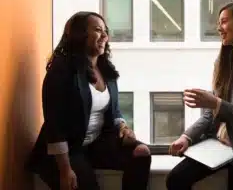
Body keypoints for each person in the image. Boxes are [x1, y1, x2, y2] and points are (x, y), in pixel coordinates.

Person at [26, 11, 151, 190]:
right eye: (98, 30)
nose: (105, 36)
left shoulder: (105, 70)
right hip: (67, 150)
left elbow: (114, 111)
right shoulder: (61, 70)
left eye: (105, 31)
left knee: (141, 153)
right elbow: (55, 125)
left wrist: (123, 127)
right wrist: (65, 170)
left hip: (95, 144)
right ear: (80, 34)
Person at [166, 1, 233, 190]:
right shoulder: (223, 61)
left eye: (224, 21)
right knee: (175, 179)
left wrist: (216, 103)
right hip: (219, 145)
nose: (219, 28)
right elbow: (211, 115)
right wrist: (187, 137)